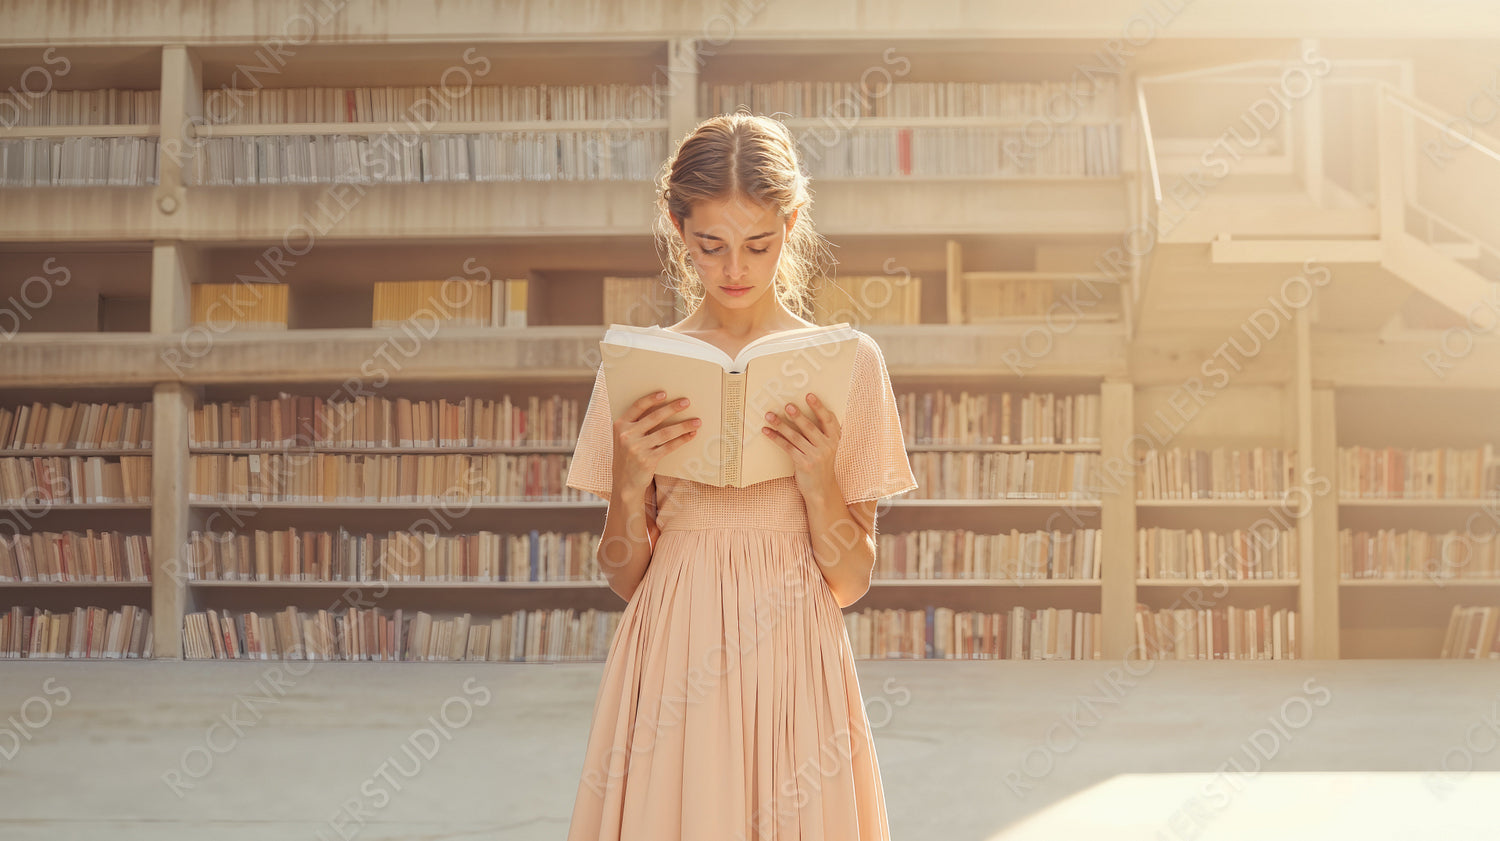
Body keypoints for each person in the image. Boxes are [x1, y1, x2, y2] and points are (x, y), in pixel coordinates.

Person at [563, 111, 918, 841]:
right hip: (673, 649)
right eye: (711, 246)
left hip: (795, 646)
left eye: (758, 245)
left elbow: (852, 580)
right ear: (677, 228)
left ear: (791, 225)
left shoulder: (852, 364)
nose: (735, 270)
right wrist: (628, 485)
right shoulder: (637, 366)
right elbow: (623, 577)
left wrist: (818, 481)